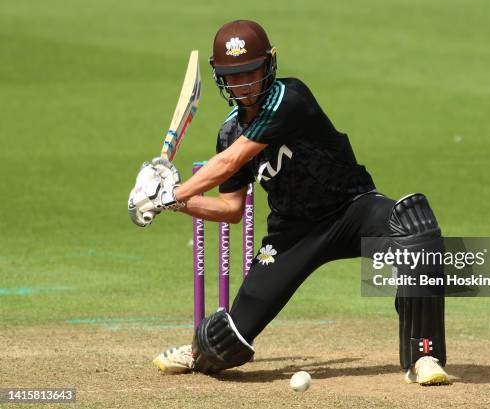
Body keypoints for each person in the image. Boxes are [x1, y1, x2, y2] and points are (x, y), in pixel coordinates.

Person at [127, 19, 449, 385]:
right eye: (233, 76)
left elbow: (231, 162)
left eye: (251, 72)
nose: (243, 84)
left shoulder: (290, 98)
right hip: (292, 235)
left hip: (353, 210)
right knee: (224, 345)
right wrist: (169, 203)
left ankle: (424, 356)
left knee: (415, 229)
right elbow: (230, 209)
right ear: (220, 77)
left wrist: (173, 190)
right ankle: (198, 353)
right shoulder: (229, 131)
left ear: (269, 64)